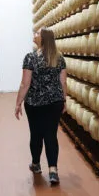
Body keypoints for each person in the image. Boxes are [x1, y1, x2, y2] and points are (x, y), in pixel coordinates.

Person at [15, 27, 67, 185]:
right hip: (54, 103)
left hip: (35, 103)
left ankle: (36, 164)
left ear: (43, 38)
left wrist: (18, 103)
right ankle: (53, 171)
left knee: (36, 134)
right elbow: (63, 82)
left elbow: (25, 84)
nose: (34, 35)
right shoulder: (59, 58)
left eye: (37, 33)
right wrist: (64, 100)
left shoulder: (30, 58)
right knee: (51, 135)